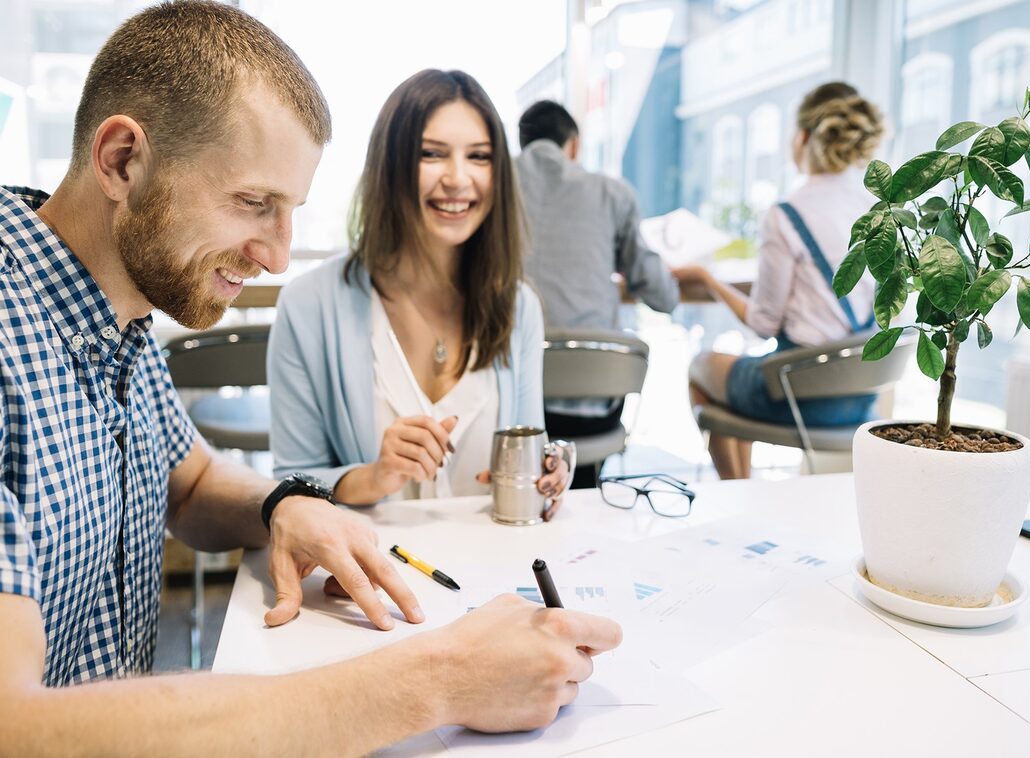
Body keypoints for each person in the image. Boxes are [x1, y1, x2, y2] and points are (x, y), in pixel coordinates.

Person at [0, 4, 620, 754]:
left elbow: (189, 486)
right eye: (253, 203)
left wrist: (283, 503)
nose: (277, 257)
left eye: (289, 211)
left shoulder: (116, 317)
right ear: (124, 161)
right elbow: (15, 727)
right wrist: (437, 680)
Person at [268, 70, 572, 517]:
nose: (457, 178)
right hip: (370, 575)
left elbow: (532, 446)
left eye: (480, 156)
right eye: (432, 154)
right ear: (390, 165)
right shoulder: (309, 305)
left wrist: (549, 471)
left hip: (494, 568)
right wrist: (374, 476)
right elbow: (289, 484)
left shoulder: (518, 306)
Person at [672, 82, 885, 480]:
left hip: (798, 395)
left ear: (803, 138)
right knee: (740, 376)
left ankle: (739, 492)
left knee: (702, 368)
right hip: (862, 397)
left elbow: (763, 323)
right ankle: (747, 499)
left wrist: (709, 279)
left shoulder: (787, 215)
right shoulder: (880, 209)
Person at [515, 100, 679, 486]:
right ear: (573, 145)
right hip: (592, 408)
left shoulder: (492, 187)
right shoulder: (612, 193)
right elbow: (662, 295)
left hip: (509, 408)